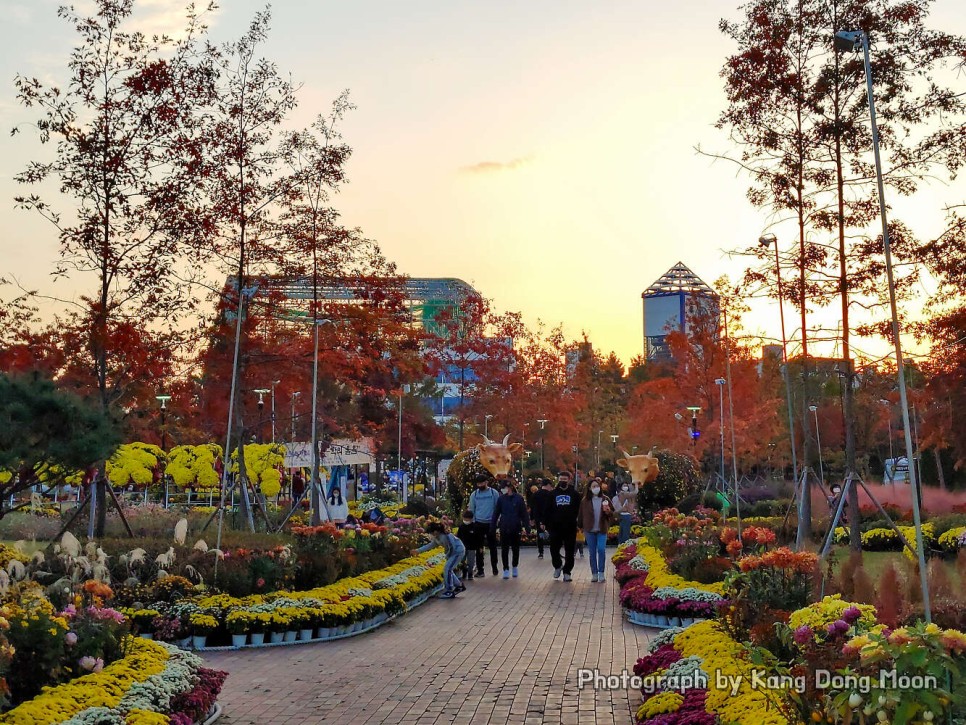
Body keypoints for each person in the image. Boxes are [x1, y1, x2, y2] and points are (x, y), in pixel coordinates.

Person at [492, 481, 530, 579]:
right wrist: (493, 525)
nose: (502, 490)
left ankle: (514, 566)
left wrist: (527, 527)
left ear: (509, 488)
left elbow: (524, 514)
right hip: (504, 526)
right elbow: (496, 513)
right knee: (504, 549)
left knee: (515, 548)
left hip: (516, 526)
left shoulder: (518, 498)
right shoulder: (501, 499)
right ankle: (505, 568)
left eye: (504, 488)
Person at [547, 471, 581, 582]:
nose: (562, 481)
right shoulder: (552, 494)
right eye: (561, 479)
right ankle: (557, 566)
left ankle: (567, 572)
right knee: (554, 549)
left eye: (565, 479)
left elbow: (578, 510)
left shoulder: (575, 494)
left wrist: (578, 523)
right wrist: (546, 523)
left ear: (569, 480)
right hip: (555, 527)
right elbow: (548, 510)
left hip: (570, 527)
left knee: (570, 551)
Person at [580, 479, 614, 582]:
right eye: (593, 486)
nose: (596, 488)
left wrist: (608, 512)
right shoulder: (585, 501)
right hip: (589, 530)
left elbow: (612, 513)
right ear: (589, 488)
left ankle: (601, 572)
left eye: (597, 486)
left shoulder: (605, 499)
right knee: (592, 552)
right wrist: (580, 526)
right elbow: (580, 515)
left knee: (601, 549)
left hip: (601, 529)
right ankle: (594, 573)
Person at [420, 522, 465, 599]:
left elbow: (452, 547)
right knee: (448, 569)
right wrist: (418, 551)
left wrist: (448, 556)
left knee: (447, 569)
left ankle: (449, 591)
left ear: (435, 531)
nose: (430, 534)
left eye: (431, 532)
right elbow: (431, 545)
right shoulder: (437, 537)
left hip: (457, 551)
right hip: (453, 553)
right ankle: (459, 585)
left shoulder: (445, 536)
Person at [468, 476, 501, 577]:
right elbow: (472, 509)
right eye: (478, 484)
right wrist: (472, 522)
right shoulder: (474, 494)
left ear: (486, 482)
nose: (480, 485)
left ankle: (494, 567)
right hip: (478, 523)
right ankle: (480, 570)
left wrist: (497, 520)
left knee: (493, 547)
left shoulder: (493, 493)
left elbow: (498, 507)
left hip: (491, 523)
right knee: (479, 548)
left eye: (482, 483)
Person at [531, 478, 555, 559]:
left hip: (539, 519)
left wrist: (532, 518)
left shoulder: (535, 494)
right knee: (552, 535)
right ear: (548, 485)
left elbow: (533, 508)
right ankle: (554, 552)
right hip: (550, 518)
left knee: (540, 534)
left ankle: (541, 552)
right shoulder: (551, 494)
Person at [456, 509, 481, 580]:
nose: (466, 520)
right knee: (462, 560)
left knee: (471, 561)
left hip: (472, 547)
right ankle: (464, 573)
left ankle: (470, 574)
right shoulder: (461, 527)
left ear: (471, 519)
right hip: (463, 547)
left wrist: (479, 547)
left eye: (468, 519)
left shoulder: (475, 527)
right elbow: (458, 537)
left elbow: (478, 538)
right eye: (465, 518)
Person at [612, 480, 639, 544]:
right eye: (624, 486)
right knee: (625, 532)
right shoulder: (623, 493)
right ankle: (624, 545)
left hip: (623, 515)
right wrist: (636, 485)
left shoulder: (623, 494)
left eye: (626, 486)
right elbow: (635, 492)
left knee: (622, 531)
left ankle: (621, 544)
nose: (626, 487)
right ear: (621, 487)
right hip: (625, 515)